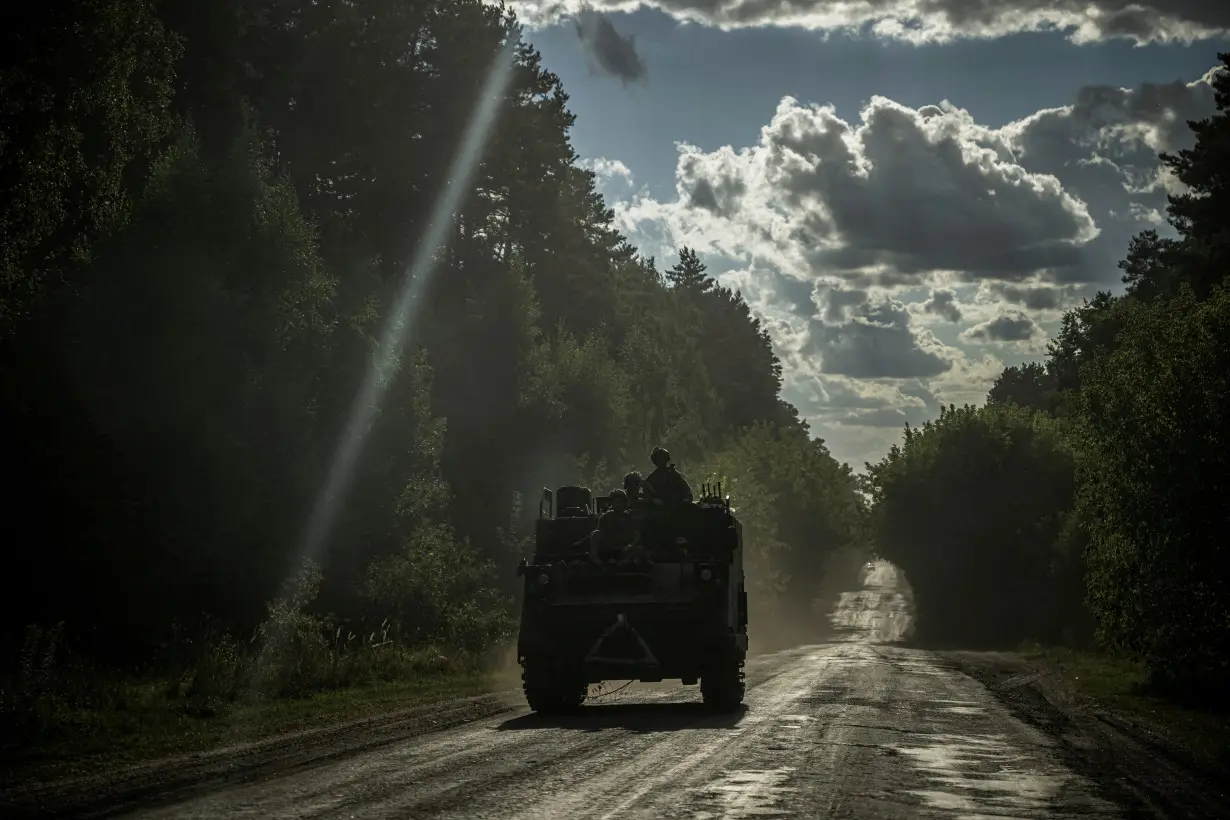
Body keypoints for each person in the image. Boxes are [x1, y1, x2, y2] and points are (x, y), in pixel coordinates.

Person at [589, 489, 643, 564]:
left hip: (624, 548)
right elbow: (596, 533)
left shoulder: (630, 517)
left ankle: (623, 562)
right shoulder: (606, 517)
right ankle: (598, 560)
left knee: (639, 550)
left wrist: (630, 545)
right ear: (611, 503)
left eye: (620, 502)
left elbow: (637, 534)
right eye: (615, 502)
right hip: (608, 548)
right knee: (595, 533)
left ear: (625, 503)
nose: (617, 504)